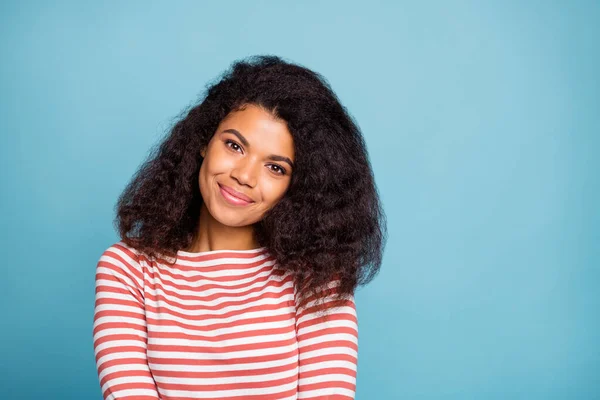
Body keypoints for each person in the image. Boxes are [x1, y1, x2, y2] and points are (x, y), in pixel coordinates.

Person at [93, 55, 386, 400]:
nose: (243, 177)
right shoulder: (128, 270)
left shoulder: (316, 279)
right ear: (204, 140)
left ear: (298, 187)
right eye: (234, 146)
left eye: (275, 168)